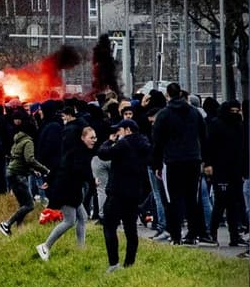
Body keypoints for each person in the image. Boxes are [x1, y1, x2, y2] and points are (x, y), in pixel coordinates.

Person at [151, 82, 213, 245]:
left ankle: (176, 235)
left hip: (173, 161)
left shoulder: (164, 114)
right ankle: (192, 234)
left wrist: (157, 164)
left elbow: (157, 141)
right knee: (192, 197)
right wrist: (206, 160)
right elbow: (204, 137)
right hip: (193, 159)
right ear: (180, 94)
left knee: (174, 199)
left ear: (168, 95)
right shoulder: (194, 112)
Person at [97, 118, 152, 272]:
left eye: (119, 130)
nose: (117, 133)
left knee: (109, 226)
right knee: (130, 228)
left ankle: (114, 263)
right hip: (134, 193)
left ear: (127, 130)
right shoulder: (144, 144)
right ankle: (129, 263)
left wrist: (109, 141)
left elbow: (103, 154)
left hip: (117, 192)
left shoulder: (124, 143)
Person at [38, 125, 98, 261]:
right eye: (91, 138)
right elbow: (81, 171)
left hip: (71, 190)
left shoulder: (74, 150)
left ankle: (80, 249)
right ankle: (45, 246)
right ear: (82, 138)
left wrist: (49, 180)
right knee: (69, 221)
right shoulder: (80, 153)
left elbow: (58, 165)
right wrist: (92, 181)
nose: (94, 140)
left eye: (95, 137)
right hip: (67, 191)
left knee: (82, 217)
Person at [0, 113, 49, 236]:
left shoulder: (18, 140)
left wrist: (31, 170)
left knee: (23, 204)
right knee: (30, 205)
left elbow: (19, 159)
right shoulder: (28, 141)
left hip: (11, 173)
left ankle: (19, 229)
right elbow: (29, 159)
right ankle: (6, 224)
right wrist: (45, 170)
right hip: (18, 175)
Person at [206, 101, 247, 247]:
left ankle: (234, 236)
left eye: (237, 111)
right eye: (232, 111)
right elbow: (209, 145)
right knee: (220, 203)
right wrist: (209, 164)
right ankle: (212, 233)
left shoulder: (239, 125)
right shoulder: (216, 124)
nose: (235, 114)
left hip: (235, 170)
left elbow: (242, 148)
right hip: (220, 169)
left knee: (233, 204)